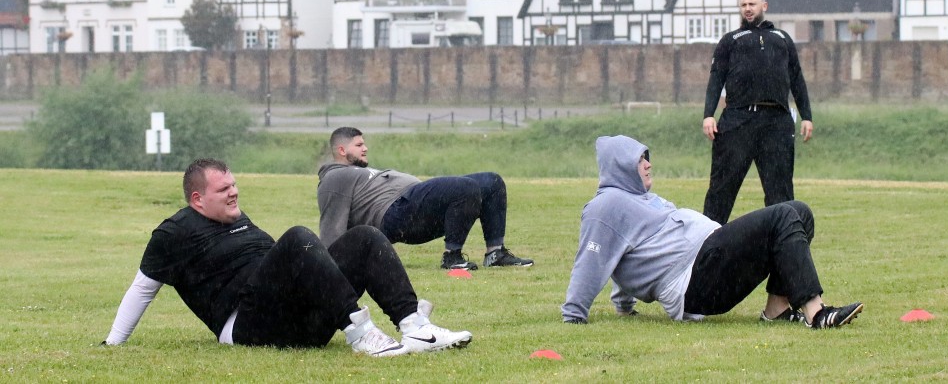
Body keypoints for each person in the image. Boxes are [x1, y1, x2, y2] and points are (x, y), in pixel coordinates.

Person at [103, 158, 472, 356]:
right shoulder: (173, 232)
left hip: (297, 321)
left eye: (234, 185)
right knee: (298, 238)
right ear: (197, 200)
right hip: (247, 327)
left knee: (364, 237)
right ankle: (361, 334)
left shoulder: (234, 216)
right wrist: (114, 344)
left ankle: (415, 328)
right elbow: (143, 288)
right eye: (223, 189)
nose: (234, 193)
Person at [562, 135, 862, 329]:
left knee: (799, 212)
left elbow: (628, 251)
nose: (649, 164)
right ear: (620, 166)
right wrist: (574, 314)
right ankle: (817, 313)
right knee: (783, 215)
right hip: (696, 278)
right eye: (640, 159)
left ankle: (777, 310)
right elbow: (594, 259)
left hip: (710, 264)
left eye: (646, 157)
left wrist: (624, 306)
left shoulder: (636, 200)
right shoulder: (606, 205)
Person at [318, 126, 533, 270]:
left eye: (364, 143)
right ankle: (452, 257)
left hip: (416, 207)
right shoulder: (333, 177)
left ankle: (495, 254)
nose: (365, 148)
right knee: (464, 187)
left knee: (491, 182)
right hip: (396, 215)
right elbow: (332, 228)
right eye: (358, 145)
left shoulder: (355, 172)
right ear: (341, 150)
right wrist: (331, 264)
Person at [701, 0, 814, 224]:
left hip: (776, 122)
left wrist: (807, 116)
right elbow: (716, 79)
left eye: (752, 4)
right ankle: (706, 242)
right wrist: (708, 115)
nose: (747, 9)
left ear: (764, 6)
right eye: (743, 5)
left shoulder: (782, 39)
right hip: (737, 120)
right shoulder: (730, 41)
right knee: (721, 188)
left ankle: (784, 243)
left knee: (780, 193)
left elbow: (797, 79)